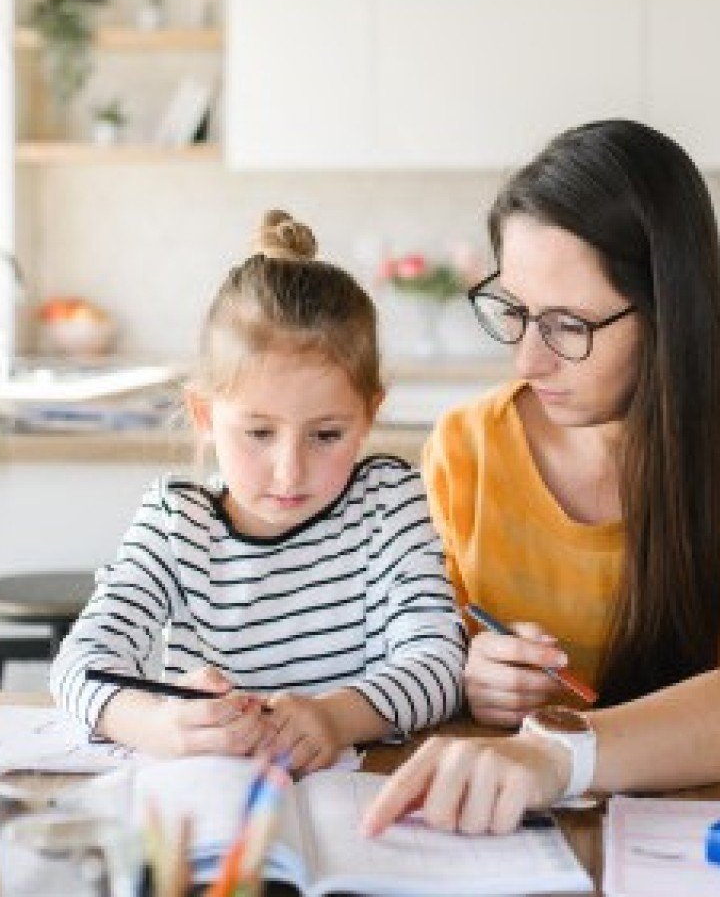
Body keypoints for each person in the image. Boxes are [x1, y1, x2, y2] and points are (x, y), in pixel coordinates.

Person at [362, 120, 720, 836]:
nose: (527, 361)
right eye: (515, 312)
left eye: (568, 325)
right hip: (512, 833)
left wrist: (558, 754)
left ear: (666, 311)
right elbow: (415, 654)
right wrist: (469, 674)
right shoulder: (466, 448)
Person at [51, 210, 466, 774]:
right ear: (205, 415)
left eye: (326, 435)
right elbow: (78, 666)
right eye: (259, 434)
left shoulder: (389, 504)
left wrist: (335, 719)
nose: (289, 472)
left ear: (370, 414)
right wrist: (156, 726)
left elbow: (440, 666)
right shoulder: (176, 523)